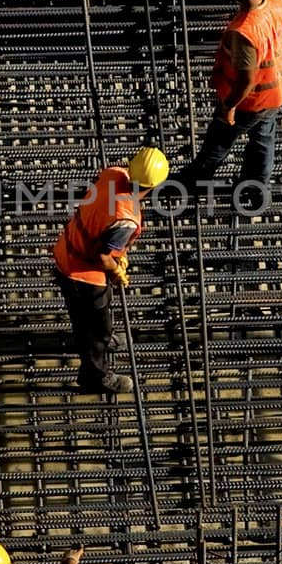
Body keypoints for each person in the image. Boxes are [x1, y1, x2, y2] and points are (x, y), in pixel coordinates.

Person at [174, 0, 282, 209]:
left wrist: (229, 107)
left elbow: (246, 78)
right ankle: (255, 190)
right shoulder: (280, 5)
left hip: (249, 102)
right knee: (263, 141)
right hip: (277, 92)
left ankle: (196, 181)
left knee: (219, 140)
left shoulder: (243, 31)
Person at [53, 147, 169, 395]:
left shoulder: (113, 173)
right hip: (83, 273)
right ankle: (95, 376)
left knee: (94, 318)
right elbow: (102, 256)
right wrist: (117, 270)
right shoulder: (126, 218)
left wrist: (119, 255)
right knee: (92, 328)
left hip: (67, 248)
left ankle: (106, 337)